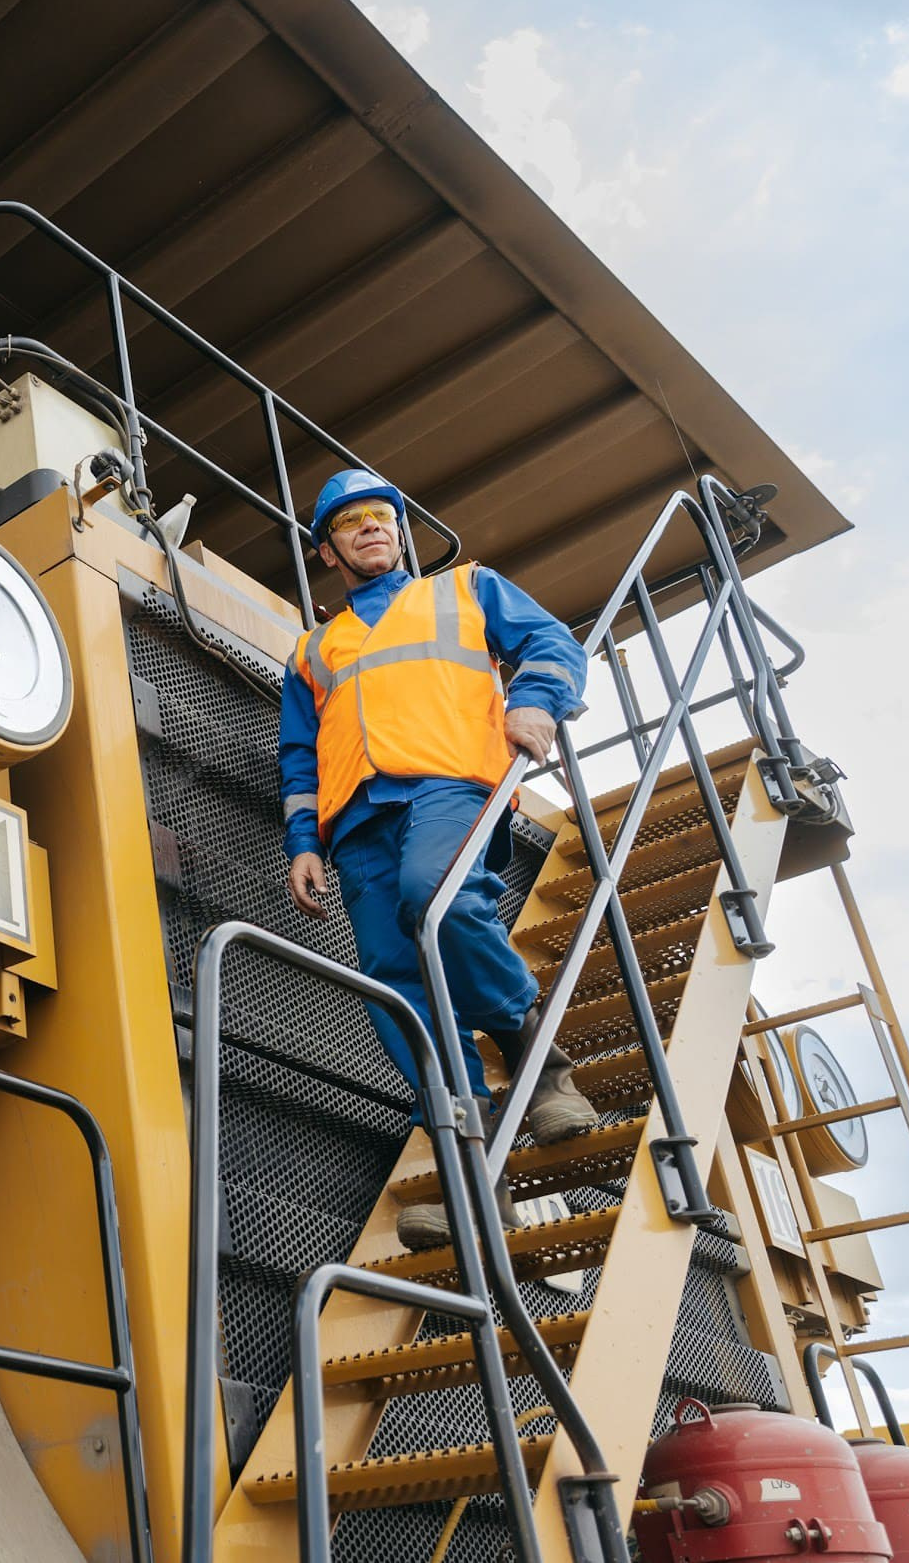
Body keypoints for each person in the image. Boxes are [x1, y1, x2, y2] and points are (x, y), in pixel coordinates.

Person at [279, 468, 599, 1251]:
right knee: (397, 991)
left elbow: (552, 641)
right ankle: (473, 1178)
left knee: (440, 898)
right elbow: (297, 755)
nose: (373, 528)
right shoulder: (312, 651)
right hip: (357, 825)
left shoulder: (466, 589)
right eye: (351, 522)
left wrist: (534, 700)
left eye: (383, 516)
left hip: (451, 784)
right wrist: (303, 843)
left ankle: (536, 1051)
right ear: (329, 551)